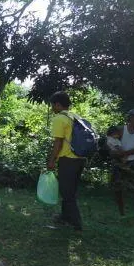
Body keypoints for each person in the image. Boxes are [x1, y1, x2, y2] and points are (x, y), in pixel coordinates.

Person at [46, 91, 85, 232]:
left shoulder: (59, 119)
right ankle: (64, 217)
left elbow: (58, 143)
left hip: (68, 159)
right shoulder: (75, 116)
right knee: (69, 191)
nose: (52, 108)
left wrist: (52, 160)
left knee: (67, 193)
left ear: (57, 104)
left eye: (52, 105)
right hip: (80, 159)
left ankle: (76, 224)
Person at [112, 109, 134, 223]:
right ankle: (121, 213)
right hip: (119, 162)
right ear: (131, 118)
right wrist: (119, 155)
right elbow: (113, 144)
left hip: (133, 163)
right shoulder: (120, 129)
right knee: (118, 189)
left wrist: (124, 154)